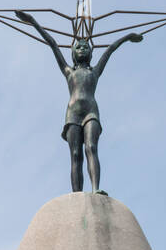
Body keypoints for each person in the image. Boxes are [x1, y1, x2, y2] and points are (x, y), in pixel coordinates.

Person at [13, 10, 143, 193]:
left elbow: (110, 49)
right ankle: (77, 196)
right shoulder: (69, 72)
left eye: (85, 47)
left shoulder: (94, 72)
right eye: (78, 47)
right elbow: (52, 44)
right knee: (75, 155)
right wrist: (32, 21)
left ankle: (95, 189)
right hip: (73, 113)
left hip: (90, 111)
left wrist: (129, 36)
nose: (82, 49)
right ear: (73, 53)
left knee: (91, 147)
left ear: (90, 53)